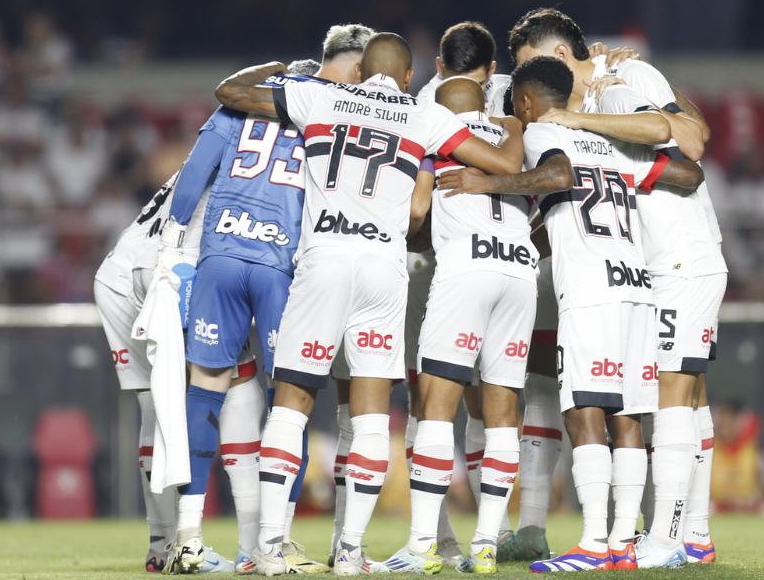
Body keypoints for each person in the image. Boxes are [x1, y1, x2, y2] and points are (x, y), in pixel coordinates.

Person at [215, 33, 525, 576]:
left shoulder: (319, 96)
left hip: (326, 258)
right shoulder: (423, 114)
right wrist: (506, 140)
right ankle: (352, 551)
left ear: (359, 73)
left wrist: (280, 68)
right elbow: (500, 161)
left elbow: (231, 92)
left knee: (292, 402)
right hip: (385, 267)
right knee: (373, 413)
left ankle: (268, 545)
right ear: (408, 78)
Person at [439, 56, 704, 572]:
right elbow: (688, 174)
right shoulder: (611, 142)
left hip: (590, 290)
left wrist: (486, 185)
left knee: (583, 412)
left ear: (524, 102)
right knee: (626, 416)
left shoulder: (539, 132)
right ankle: (622, 543)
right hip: (636, 287)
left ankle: (591, 543)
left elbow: (558, 175)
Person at [508, 8, 724, 564]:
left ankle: (667, 538)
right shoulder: (603, 94)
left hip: (678, 256)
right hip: (649, 266)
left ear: (556, 58)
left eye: (528, 68)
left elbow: (687, 142)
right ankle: (693, 534)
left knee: (672, 394)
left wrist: (581, 120)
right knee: (683, 399)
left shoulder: (620, 82)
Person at [163, 30, 368, 575]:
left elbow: (188, 187)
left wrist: (173, 247)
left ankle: (187, 535)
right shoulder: (327, 116)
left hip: (223, 255)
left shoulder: (236, 110)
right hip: (284, 270)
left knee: (204, 391)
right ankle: (274, 544)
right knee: (290, 401)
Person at [381, 77, 538, 575]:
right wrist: (512, 123)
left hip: (465, 268)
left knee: (435, 406)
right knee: (502, 411)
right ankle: (488, 543)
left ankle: (424, 545)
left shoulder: (435, 133)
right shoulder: (516, 137)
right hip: (519, 271)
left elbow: (419, 210)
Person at [94, 173, 256, 574]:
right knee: (237, 384)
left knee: (155, 407)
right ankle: (254, 546)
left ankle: (160, 545)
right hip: (176, 268)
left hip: (118, 273)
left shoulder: (208, 145)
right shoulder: (267, 142)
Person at [708, 401, 764, 513]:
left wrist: (751, 497)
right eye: (723, 424)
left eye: (730, 423)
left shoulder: (755, 448)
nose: (726, 428)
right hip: (718, 505)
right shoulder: (710, 448)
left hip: (749, 505)